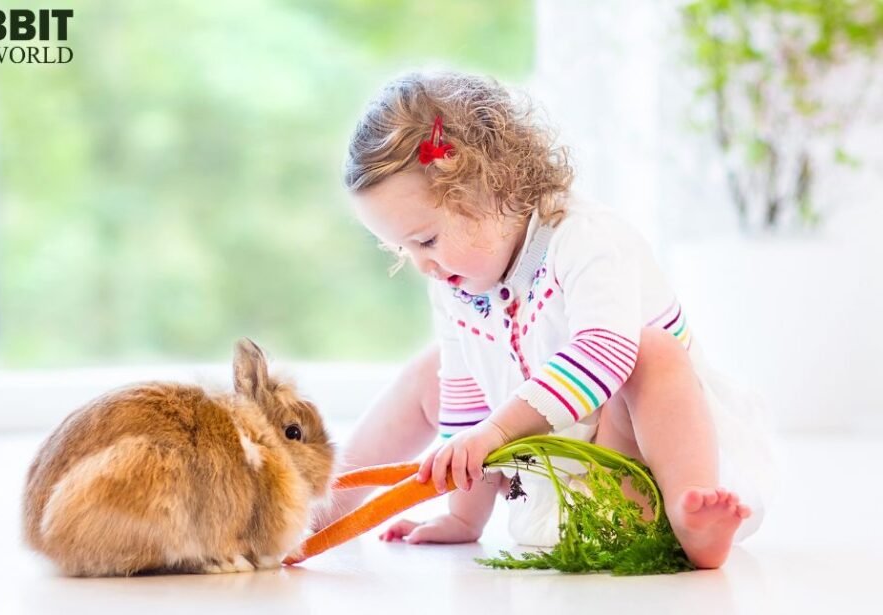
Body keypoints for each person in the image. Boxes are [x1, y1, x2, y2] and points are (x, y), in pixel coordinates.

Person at [318, 70, 776, 569]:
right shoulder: (455, 282)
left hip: (640, 481)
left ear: (493, 186)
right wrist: (464, 518)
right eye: (402, 249)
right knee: (437, 372)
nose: (423, 264)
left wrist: (495, 432)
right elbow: (466, 402)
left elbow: (606, 354)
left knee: (652, 352)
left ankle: (696, 522)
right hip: (555, 490)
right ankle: (317, 510)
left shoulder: (587, 239)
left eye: (425, 240)